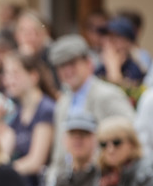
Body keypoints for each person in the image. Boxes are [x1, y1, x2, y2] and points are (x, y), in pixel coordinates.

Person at [48, 34, 134, 175]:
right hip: (69, 183)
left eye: (72, 63)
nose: (67, 70)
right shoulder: (62, 103)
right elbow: (59, 153)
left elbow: (130, 138)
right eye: (62, 66)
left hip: (103, 178)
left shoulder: (108, 95)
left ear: (88, 63)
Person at [0, 51, 56, 186]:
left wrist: (3, 172)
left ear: (33, 76)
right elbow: (2, 154)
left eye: (15, 74)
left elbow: (36, 162)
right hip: (24, 185)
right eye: (7, 74)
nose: (9, 80)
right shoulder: (18, 112)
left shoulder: (46, 109)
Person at [95, 15, 146, 90]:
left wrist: (114, 70)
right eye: (106, 36)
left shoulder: (134, 70)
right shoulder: (99, 68)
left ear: (128, 43)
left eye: (115, 37)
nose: (108, 42)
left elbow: (123, 97)